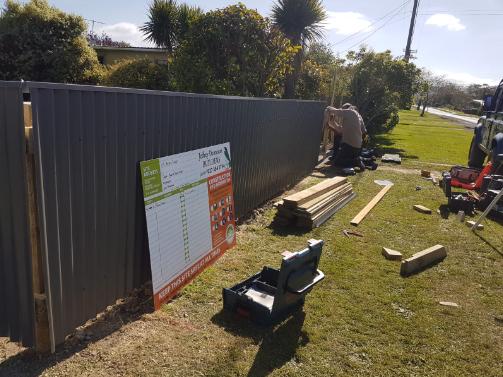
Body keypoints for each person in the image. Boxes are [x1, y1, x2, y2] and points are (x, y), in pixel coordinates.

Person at [324, 103, 367, 169]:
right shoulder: (356, 116)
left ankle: (355, 161)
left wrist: (327, 108)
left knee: (337, 162)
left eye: (343, 109)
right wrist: (332, 122)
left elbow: (335, 111)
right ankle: (356, 159)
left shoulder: (350, 112)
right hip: (357, 147)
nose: (342, 110)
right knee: (341, 159)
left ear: (347, 108)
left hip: (349, 145)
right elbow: (340, 130)